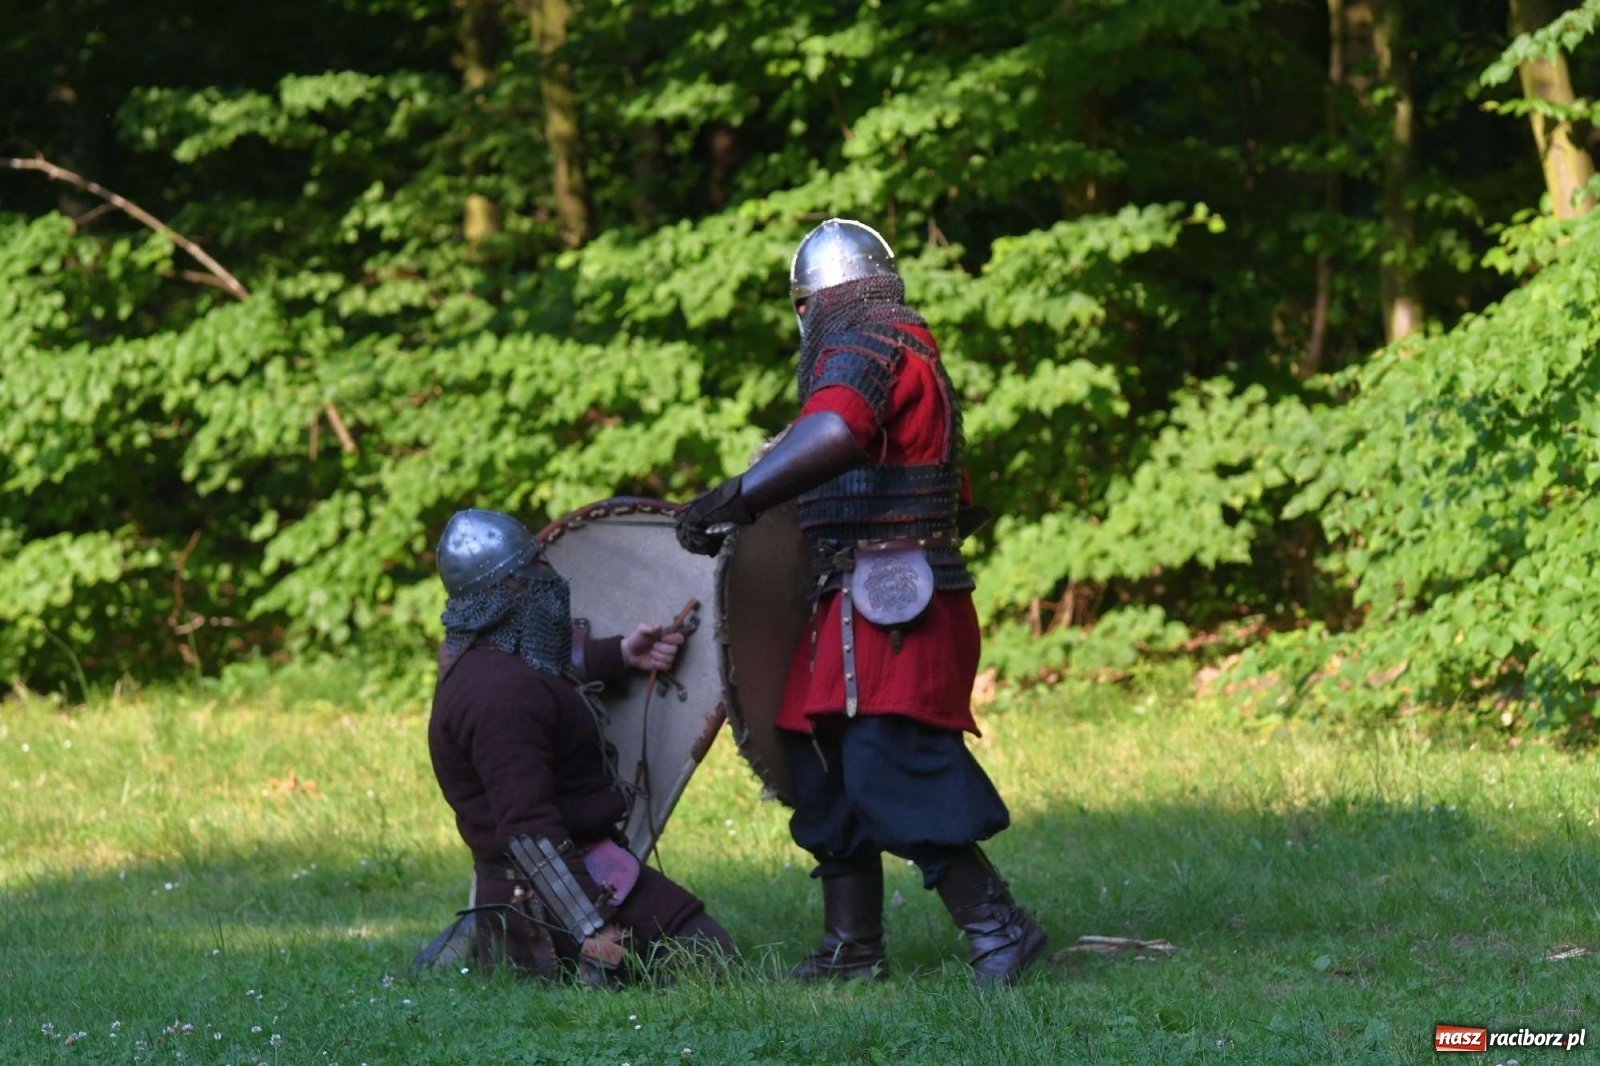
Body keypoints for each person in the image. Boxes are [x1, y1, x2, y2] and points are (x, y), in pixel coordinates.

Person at [675, 218, 1047, 986]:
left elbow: (837, 431)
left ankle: (999, 928)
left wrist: (739, 498)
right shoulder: (892, 344)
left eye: (802, 308)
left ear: (815, 302)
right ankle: (854, 946)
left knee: (893, 762)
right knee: (821, 767)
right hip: (850, 595)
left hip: (896, 601)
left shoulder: (871, 343)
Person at [429, 507, 733, 984]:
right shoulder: (502, 696)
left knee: (704, 950)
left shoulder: (482, 662)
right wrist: (593, 924)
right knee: (711, 963)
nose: (550, 579)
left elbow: (545, 669)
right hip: (546, 898)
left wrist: (619, 654)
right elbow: (528, 830)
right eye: (536, 571)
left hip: (549, 877)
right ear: (509, 592)